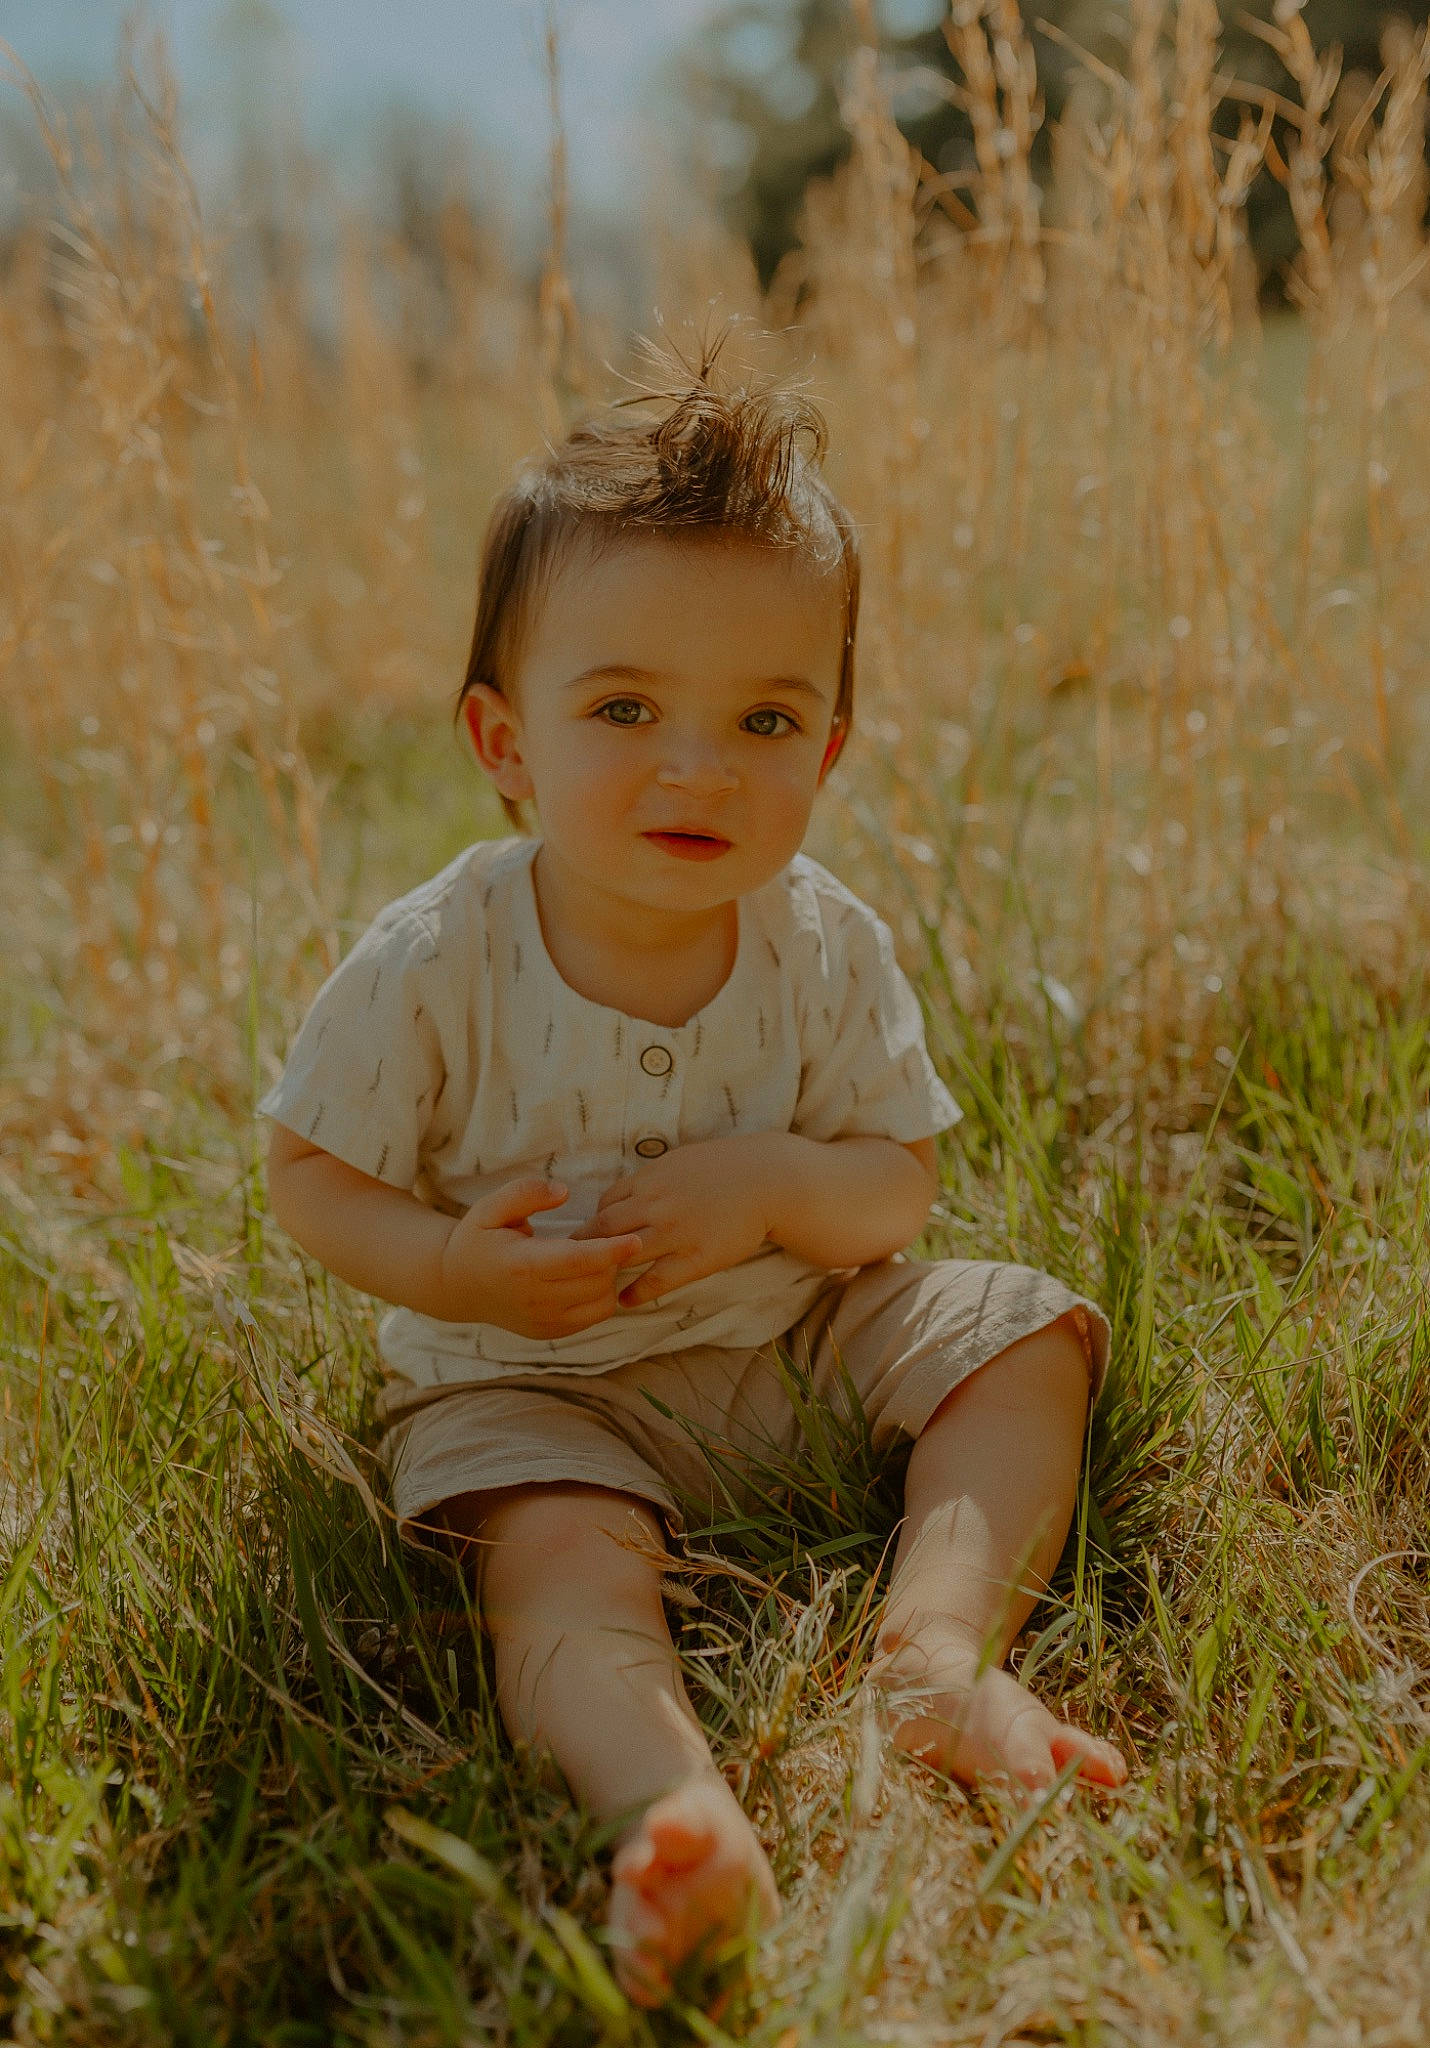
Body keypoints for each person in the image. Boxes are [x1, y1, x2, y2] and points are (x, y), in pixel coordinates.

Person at [261, 332, 1127, 2008]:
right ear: (503, 740)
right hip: (533, 1382)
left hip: (787, 1345)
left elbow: (894, 1192)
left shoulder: (822, 941)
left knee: (1022, 1330)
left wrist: (776, 1188)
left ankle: (934, 1656)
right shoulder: (437, 953)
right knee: (560, 1558)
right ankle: (667, 1803)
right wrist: (453, 1270)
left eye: (763, 716)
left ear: (830, 748)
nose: (695, 763)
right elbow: (309, 1172)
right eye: (625, 709)